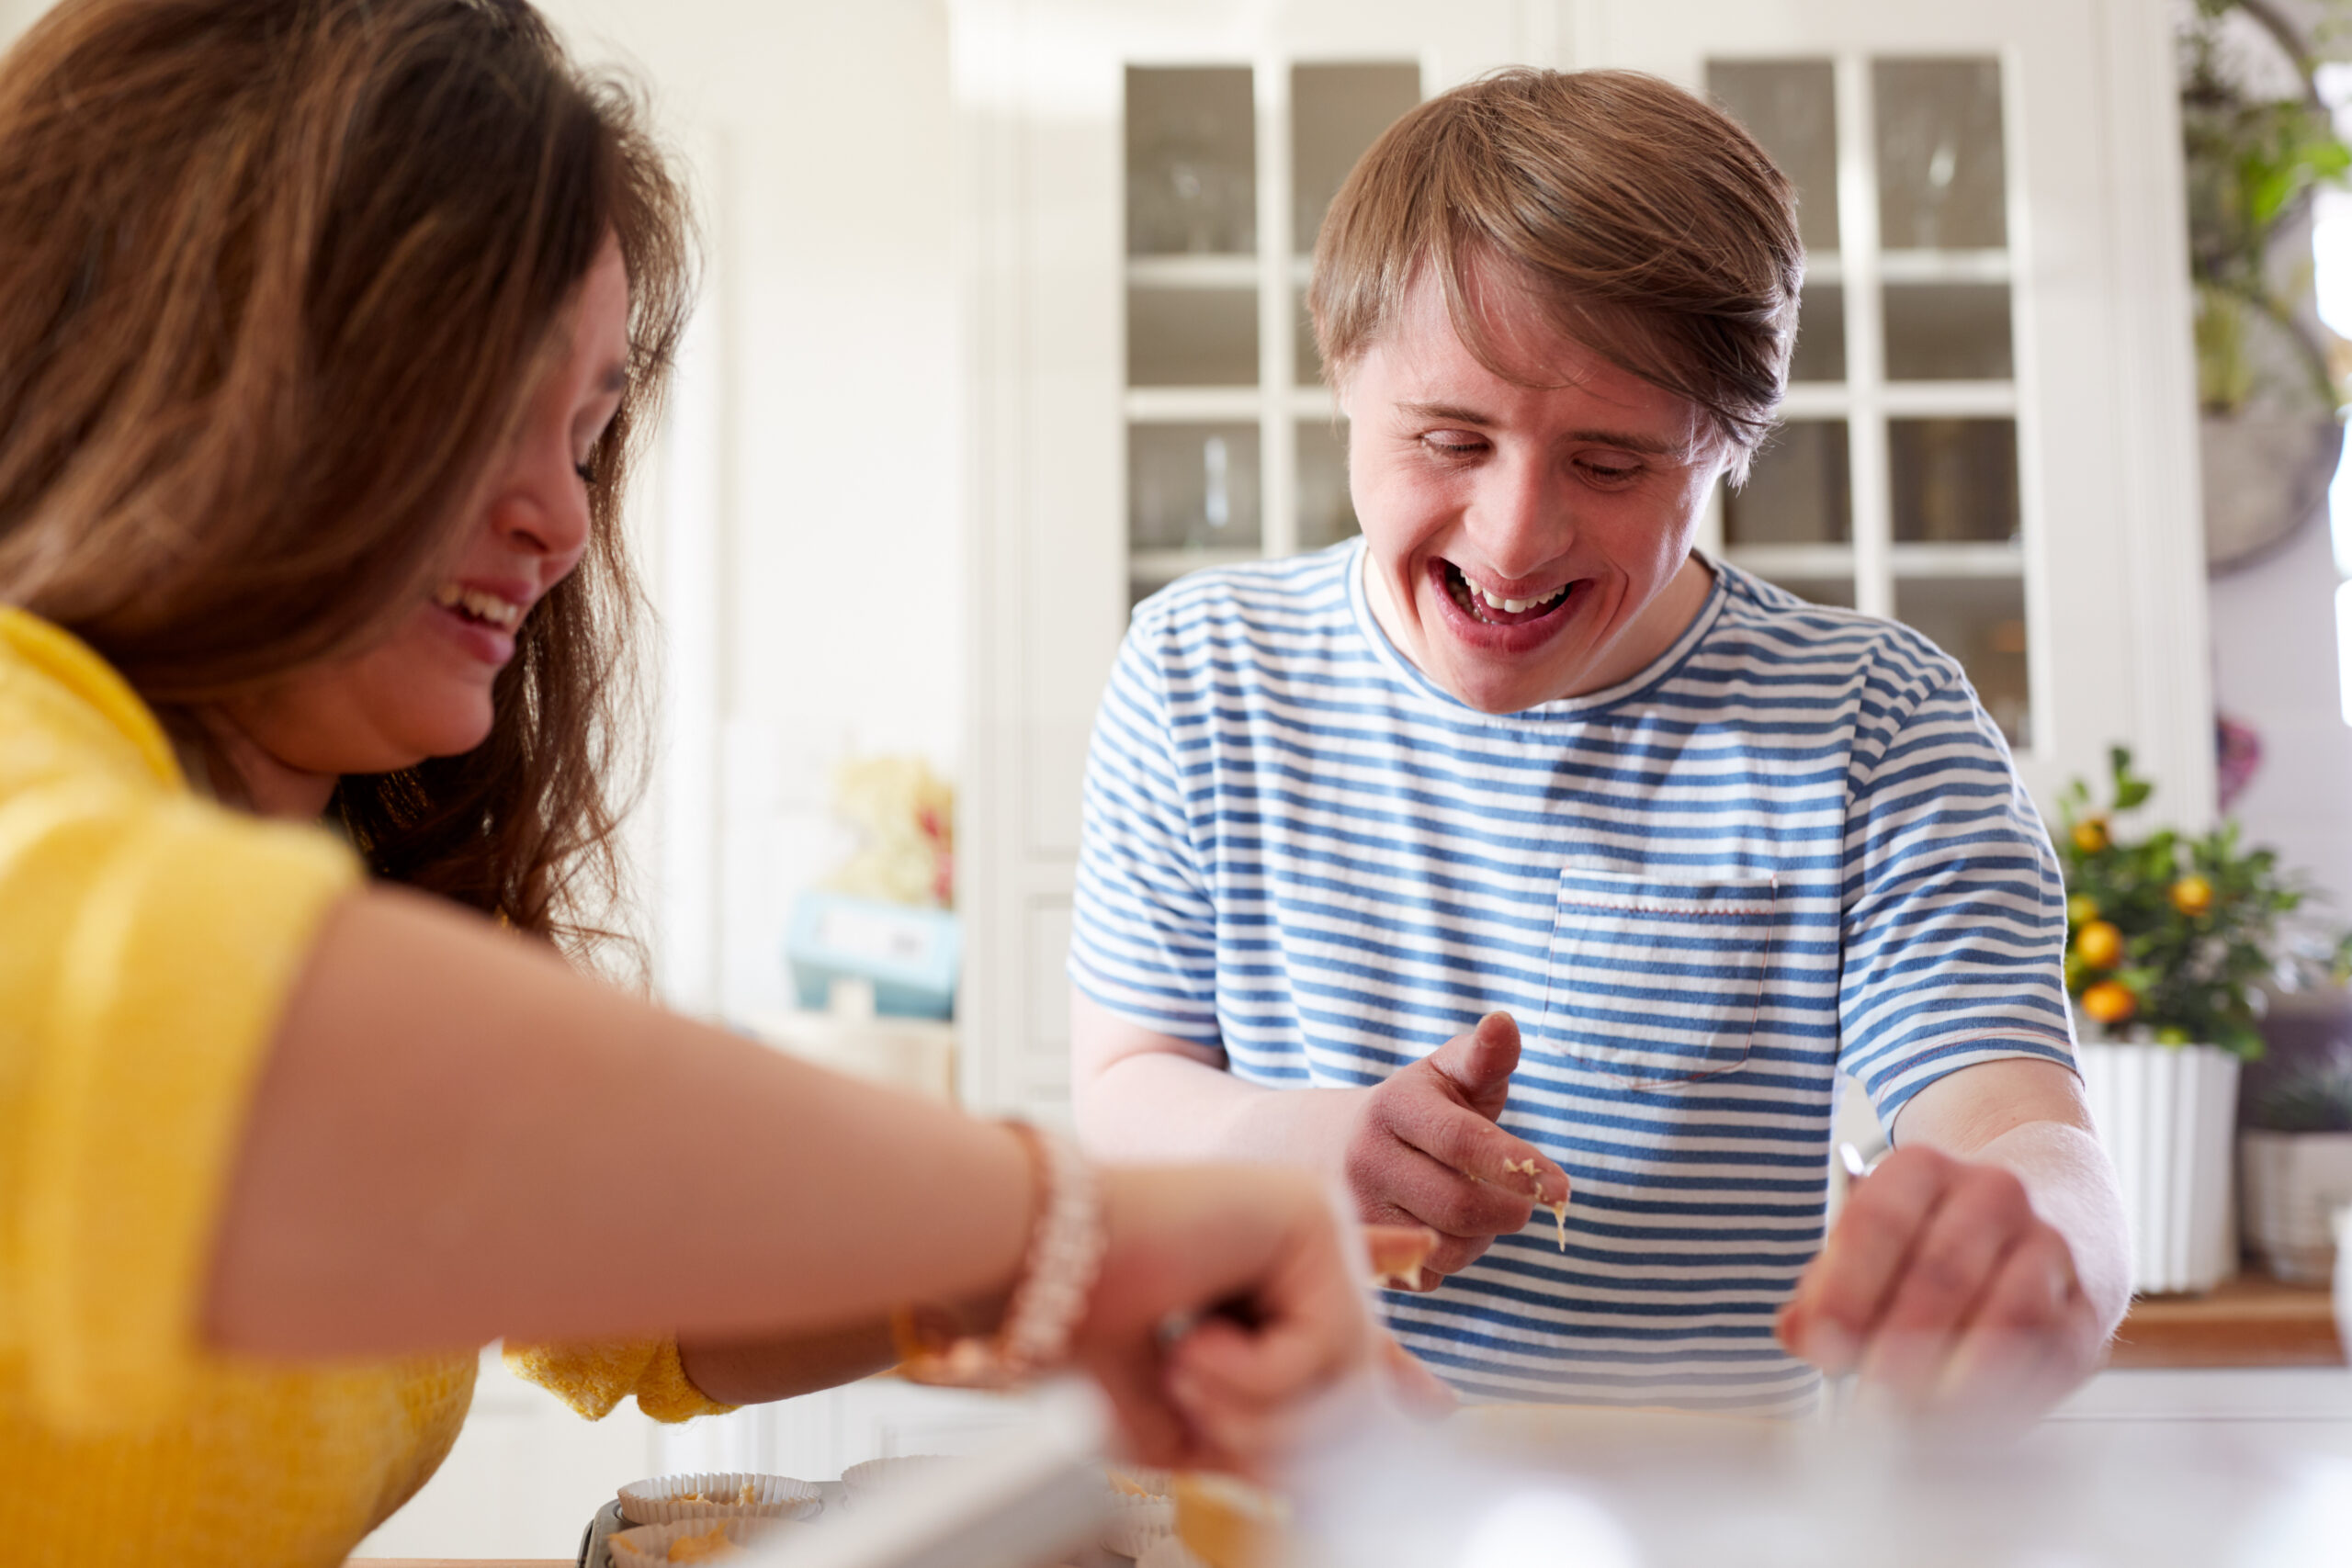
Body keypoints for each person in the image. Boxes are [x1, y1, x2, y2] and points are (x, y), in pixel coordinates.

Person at [0, 2, 1402, 1563]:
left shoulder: (355, 850)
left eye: (586, 439)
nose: (560, 520)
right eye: (479, 404)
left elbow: (638, 1288)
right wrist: (1079, 1225)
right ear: (178, 352)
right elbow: (196, 1011)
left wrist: (1037, 1280)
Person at [1070, 67, 2130, 1419]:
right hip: (1292, 1505)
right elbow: (1123, 1084)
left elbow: (2019, 1126)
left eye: (1613, 465)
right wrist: (1299, 1139)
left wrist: (2046, 1244)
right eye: (1450, 439)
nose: (1515, 539)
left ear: (1727, 448)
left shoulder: (1875, 723)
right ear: (1344, 376)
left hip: (1711, 1527)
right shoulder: (1204, 671)